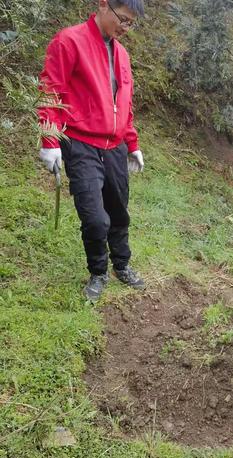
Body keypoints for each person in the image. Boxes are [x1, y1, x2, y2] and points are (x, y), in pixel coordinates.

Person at [37, 0, 146, 302]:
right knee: (96, 218)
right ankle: (98, 271)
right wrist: (50, 140)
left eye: (130, 24)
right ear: (103, 5)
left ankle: (122, 265)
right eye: (122, 19)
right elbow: (51, 90)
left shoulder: (122, 54)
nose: (125, 28)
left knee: (118, 211)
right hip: (81, 144)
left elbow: (125, 104)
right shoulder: (69, 41)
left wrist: (132, 144)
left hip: (115, 146)